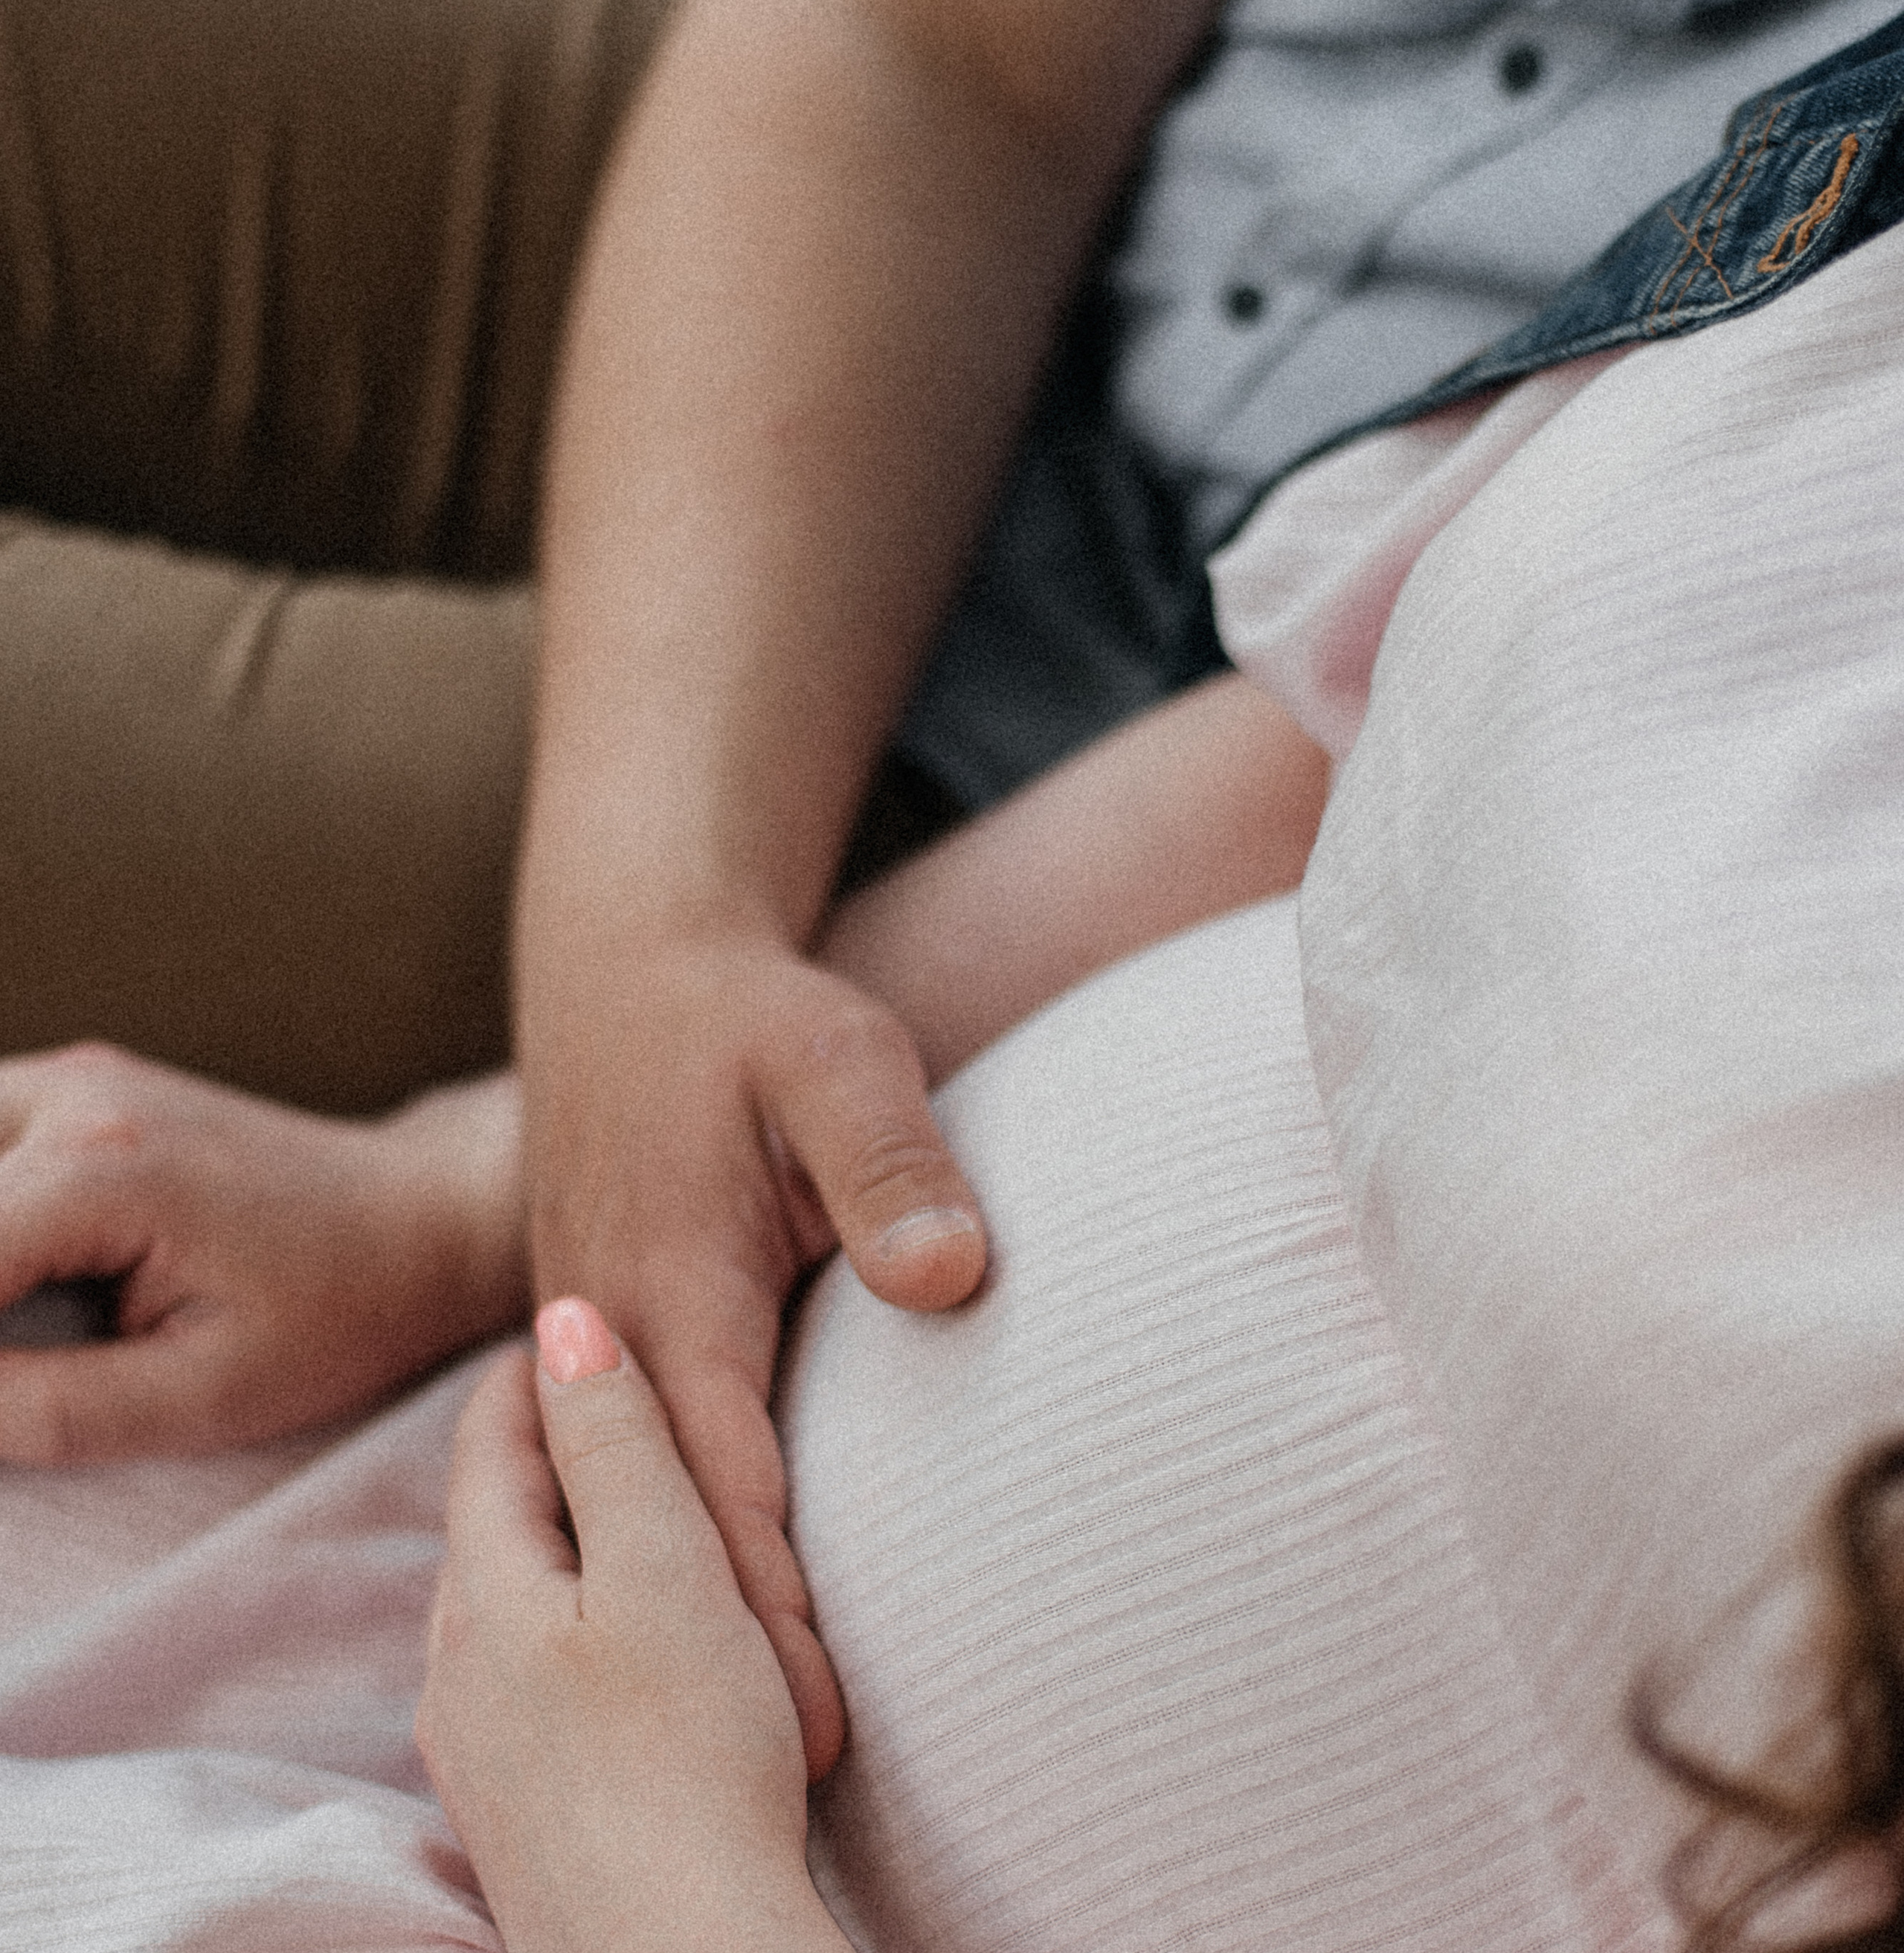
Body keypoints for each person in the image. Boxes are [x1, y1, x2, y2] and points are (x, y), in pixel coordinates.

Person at [6, 0, 1897, 1769]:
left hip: (1078, 822)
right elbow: (940, 53)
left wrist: (492, 1168)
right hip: (911, 229)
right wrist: (636, 949)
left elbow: (1444, 748)